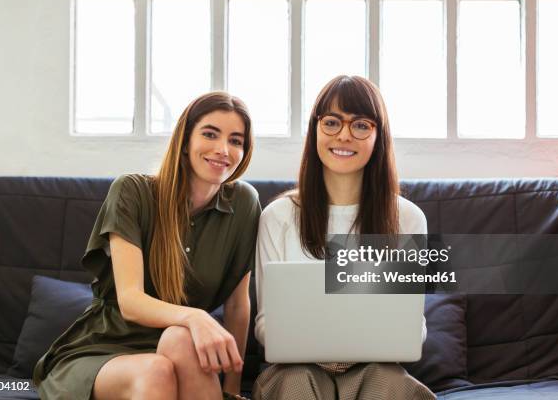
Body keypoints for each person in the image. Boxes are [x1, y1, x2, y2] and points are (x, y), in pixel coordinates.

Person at [33, 92, 261, 400]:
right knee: (157, 370)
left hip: (182, 348)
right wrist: (196, 316)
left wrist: (232, 388)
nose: (223, 150)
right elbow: (130, 301)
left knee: (179, 339)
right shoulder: (132, 191)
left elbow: (237, 305)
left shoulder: (245, 204)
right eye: (210, 134)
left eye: (236, 140)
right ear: (184, 140)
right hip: (106, 350)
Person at [252, 76, 436, 400]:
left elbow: (413, 328)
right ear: (315, 130)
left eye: (361, 125)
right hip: (298, 370)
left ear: (379, 136)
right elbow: (267, 325)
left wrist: (353, 349)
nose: (344, 135)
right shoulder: (277, 216)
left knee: (388, 383)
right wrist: (324, 348)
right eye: (332, 122)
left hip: (373, 368)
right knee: (295, 381)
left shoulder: (408, 218)